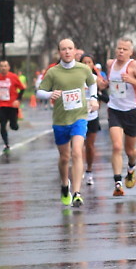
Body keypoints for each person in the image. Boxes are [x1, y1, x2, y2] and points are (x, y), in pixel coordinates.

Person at [36, 38, 98, 206]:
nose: (67, 52)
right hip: (61, 119)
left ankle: (77, 192)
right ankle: (65, 184)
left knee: (77, 151)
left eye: (70, 48)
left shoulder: (83, 69)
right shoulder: (53, 72)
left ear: (75, 50)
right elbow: (39, 92)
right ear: (59, 52)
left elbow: (93, 84)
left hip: (79, 117)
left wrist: (93, 98)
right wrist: (50, 95)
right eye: (63, 49)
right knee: (65, 157)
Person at [106, 38, 136, 196]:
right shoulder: (110, 64)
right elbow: (108, 83)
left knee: (130, 150)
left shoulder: (134, 66)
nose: (121, 51)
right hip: (114, 110)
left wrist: (131, 80)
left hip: (132, 112)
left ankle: (131, 168)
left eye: (125, 49)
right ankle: (118, 183)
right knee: (117, 146)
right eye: (119, 48)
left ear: (130, 52)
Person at [79, 54, 109, 185]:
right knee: (77, 146)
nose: (86, 64)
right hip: (77, 116)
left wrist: (101, 91)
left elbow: (105, 96)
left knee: (90, 146)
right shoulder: (75, 78)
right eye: (84, 62)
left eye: (89, 62)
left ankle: (89, 171)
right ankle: (78, 170)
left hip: (92, 117)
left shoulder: (96, 79)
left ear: (92, 65)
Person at [0, 58, 26, 151]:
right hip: (1, 105)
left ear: (9, 67)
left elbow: (22, 89)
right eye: (2, 66)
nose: (3, 68)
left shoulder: (13, 77)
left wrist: (18, 100)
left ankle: (14, 124)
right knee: (2, 124)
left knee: (13, 126)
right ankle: (6, 144)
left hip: (12, 105)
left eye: (5, 66)